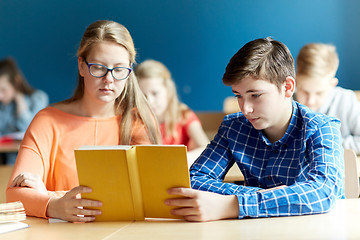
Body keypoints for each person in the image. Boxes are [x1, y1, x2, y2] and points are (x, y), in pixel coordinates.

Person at [165, 37, 344, 222]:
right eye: (239, 96)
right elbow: (195, 179)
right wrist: (262, 195)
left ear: (288, 87)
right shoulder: (233, 127)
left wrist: (233, 205)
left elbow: (324, 192)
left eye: (255, 95)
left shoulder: (322, 127)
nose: (245, 108)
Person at [7, 20, 160, 222]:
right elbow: (15, 195)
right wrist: (54, 206)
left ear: (129, 70)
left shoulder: (139, 120)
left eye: (119, 69)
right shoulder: (47, 121)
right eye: (98, 67)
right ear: (81, 66)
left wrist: (50, 196)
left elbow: (152, 196)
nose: (109, 79)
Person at [135, 60, 209, 165]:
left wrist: (178, 160)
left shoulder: (183, 114)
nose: (149, 102)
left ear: (168, 91)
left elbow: (206, 148)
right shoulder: (134, 119)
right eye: (143, 96)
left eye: (155, 93)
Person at [295, 43, 360, 154]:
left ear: (332, 84)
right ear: (295, 81)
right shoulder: (287, 103)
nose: (311, 101)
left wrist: (327, 144)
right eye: (305, 92)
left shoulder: (346, 100)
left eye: (319, 93)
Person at [0, 57, 48, 164]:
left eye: (3, 90)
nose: (0, 96)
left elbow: (30, 130)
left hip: (32, 160)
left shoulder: (38, 98)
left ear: (16, 82)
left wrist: (20, 100)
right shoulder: (2, 106)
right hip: (5, 161)